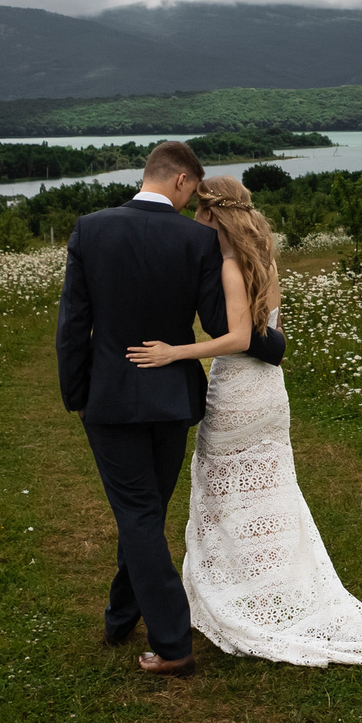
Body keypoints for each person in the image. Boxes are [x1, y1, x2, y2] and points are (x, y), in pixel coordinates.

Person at [125, 173, 362, 666]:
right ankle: (267, 584)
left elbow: (240, 338)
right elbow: (276, 332)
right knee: (270, 493)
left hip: (237, 391)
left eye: (198, 212)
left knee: (222, 494)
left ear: (210, 213)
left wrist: (174, 352)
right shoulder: (264, 258)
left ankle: (235, 591)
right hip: (270, 392)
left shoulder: (230, 264)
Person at [56, 140, 230, 676]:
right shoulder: (197, 240)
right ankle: (120, 616)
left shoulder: (91, 228)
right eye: (192, 190)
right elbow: (221, 325)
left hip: (109, 397)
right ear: (180, 180)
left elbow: (72, 325)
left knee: (138, 516)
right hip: (173, 397)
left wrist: (77, 395)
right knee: (145, 514)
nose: (191, 201)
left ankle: (174, 644)